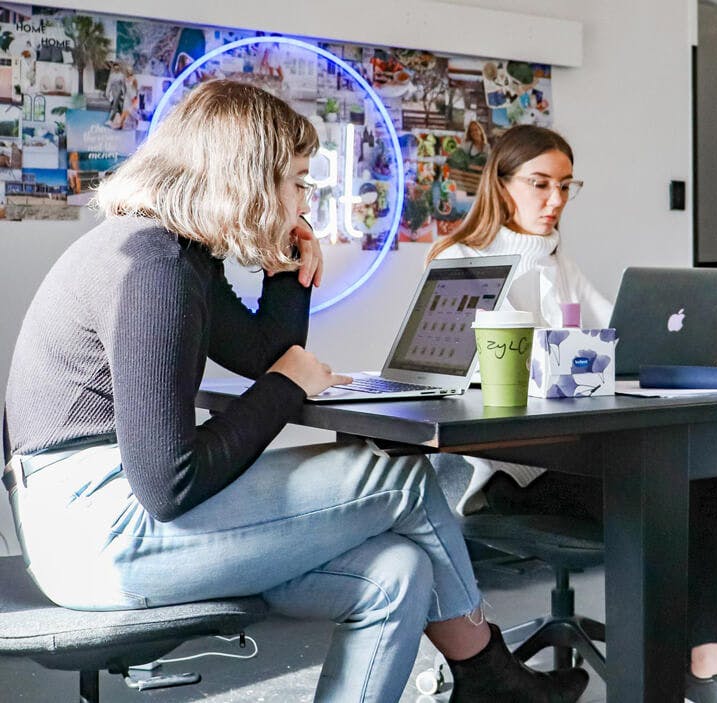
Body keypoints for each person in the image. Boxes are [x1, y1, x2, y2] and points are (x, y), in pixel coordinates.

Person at [2, 80, 587, 703]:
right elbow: (169, 482)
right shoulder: (155, 268)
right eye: (301, 181)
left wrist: (287, 275)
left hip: (102, 520)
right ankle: (492, 677)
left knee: (398, 570)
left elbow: (262, 354)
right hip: (99, 533)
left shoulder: (177, 253)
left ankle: (484, 682)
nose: (307, 198)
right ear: (250, 180)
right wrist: (288, 386)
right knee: (407, 479)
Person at [426, 124, 717, 702]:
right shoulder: (461, 262)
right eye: (540, 185)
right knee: (684, 494)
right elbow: (498, 381)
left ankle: (710, 671)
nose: (555, 201)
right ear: (501, 185)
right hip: (511, 473)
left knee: (710, 482)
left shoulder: (559, 264)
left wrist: (707, 350)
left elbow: (621, 337)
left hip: (579, 459)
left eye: (565, 186)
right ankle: (686, 671)